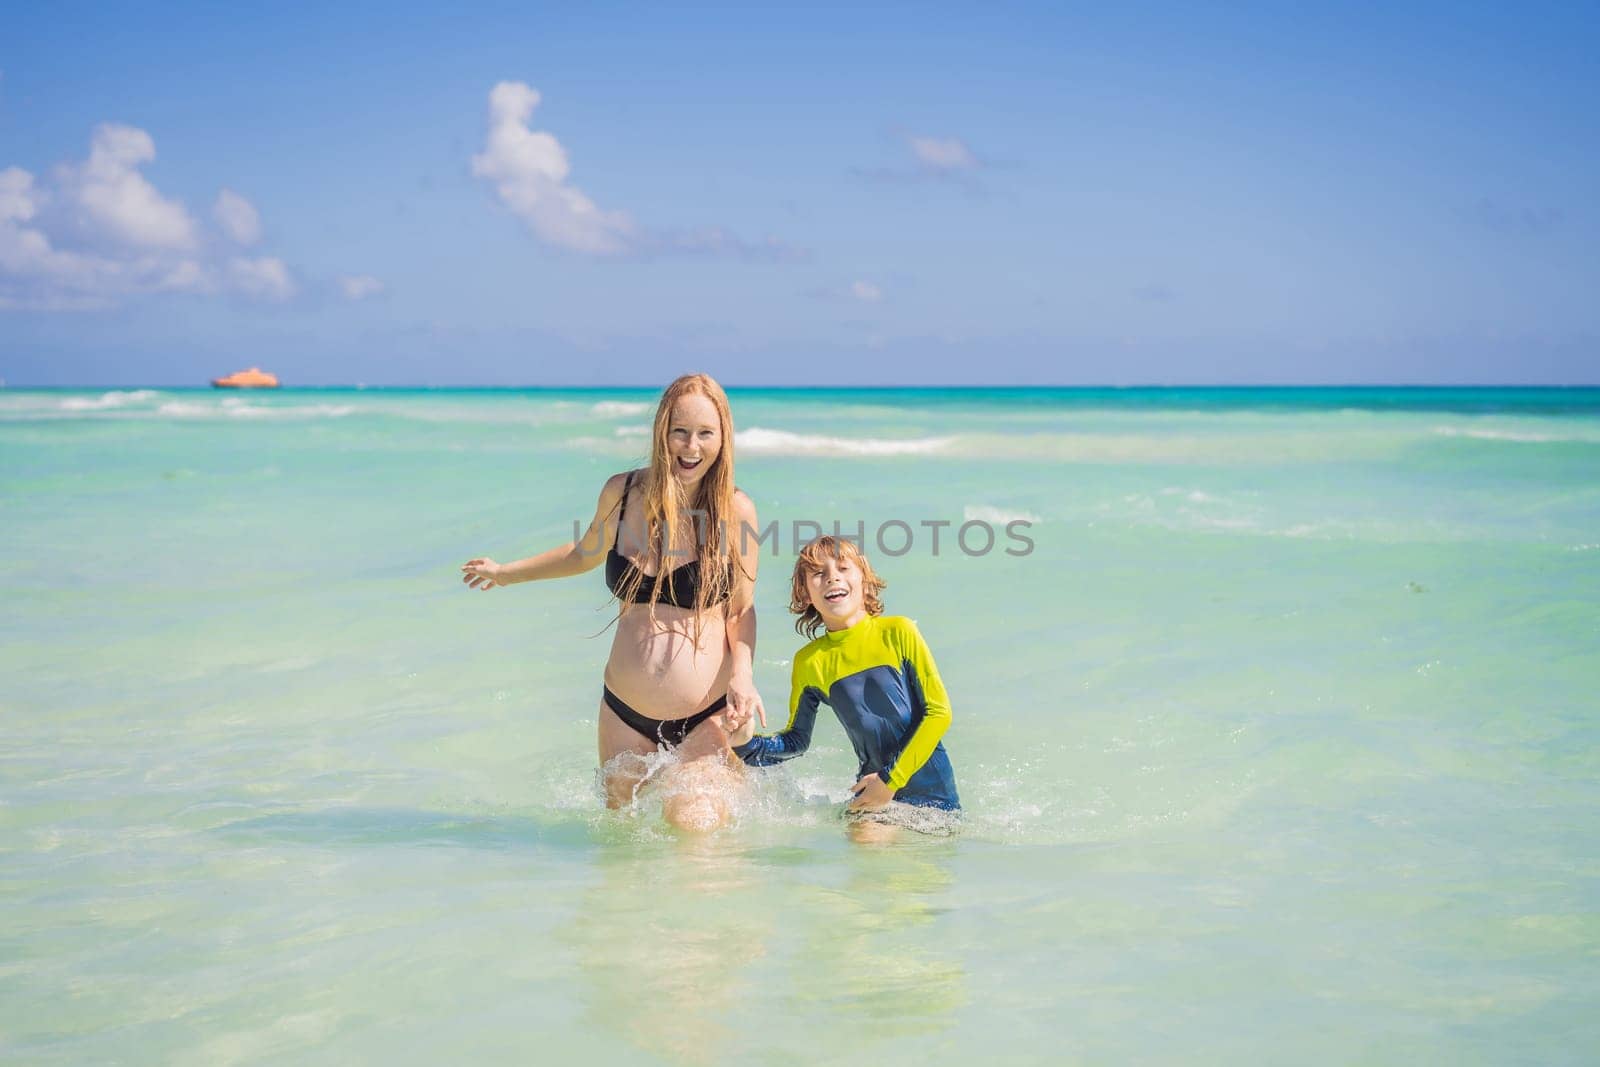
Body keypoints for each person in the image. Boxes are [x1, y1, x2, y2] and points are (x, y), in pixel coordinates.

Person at [460, 373, 766, 831]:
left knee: (695, 831)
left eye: (706, 434)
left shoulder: (734, 510)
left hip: (708, 713)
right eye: (680, 431)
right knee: (620, 848)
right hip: (624, 712)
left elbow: (741, 609)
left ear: (723, 439)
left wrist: (743, 674)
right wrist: (506, 574)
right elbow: (583, 554)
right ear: (662, 431)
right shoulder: (622, 494)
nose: (691, 447)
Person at [729, 535, 960, 817]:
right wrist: (744, 743)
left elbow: (938, 713)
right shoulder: (810, 661)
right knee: (865, 845)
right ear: (804, 593)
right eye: (818, 573)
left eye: (843, 568)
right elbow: (795, 742)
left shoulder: (899, 633)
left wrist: (890, 781)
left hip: (932, 794)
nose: (831, 578)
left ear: (865, 579)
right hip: (871, 792)